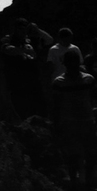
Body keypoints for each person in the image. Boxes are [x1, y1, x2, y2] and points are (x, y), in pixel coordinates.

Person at [52, 49, 97, 189]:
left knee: (90, 154)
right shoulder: (59, 83)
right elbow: (55, 105)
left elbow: (94, 98)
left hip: (86, 121)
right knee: (73, 155)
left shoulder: (88, 79)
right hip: (70, 122)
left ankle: (87, 183)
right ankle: (75, 182)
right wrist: (56, 124)